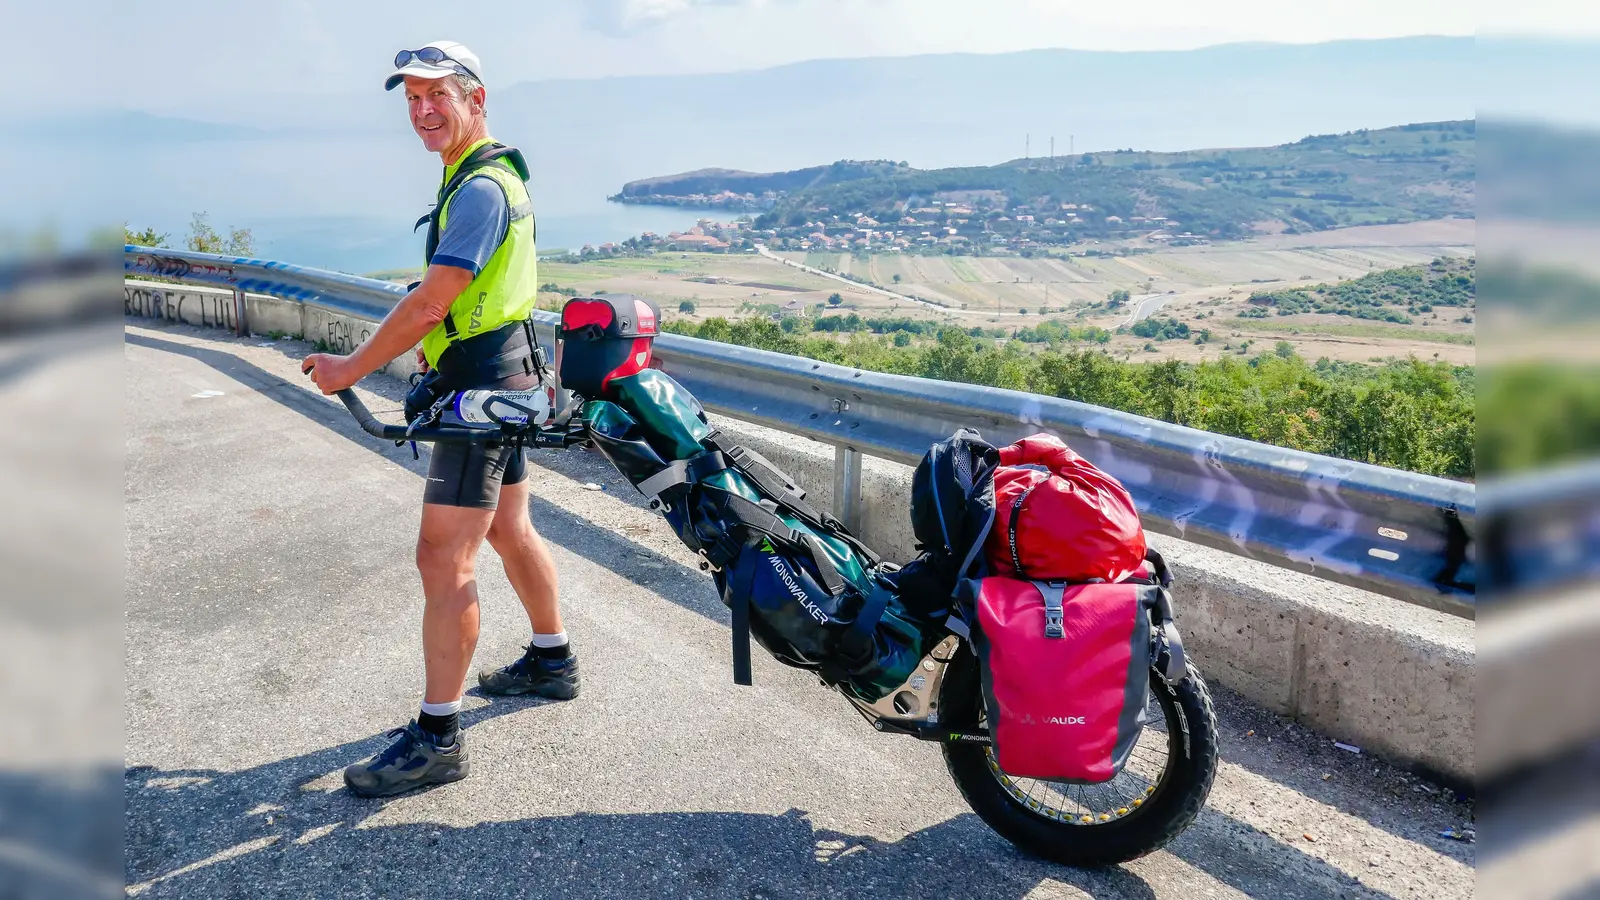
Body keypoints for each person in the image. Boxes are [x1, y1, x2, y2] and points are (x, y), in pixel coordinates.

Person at [302, 41, 579, 798]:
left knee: (441, 559)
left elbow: (432, 299)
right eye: (412, 101)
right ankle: (553, 661)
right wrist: (438, 348)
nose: (423, 112)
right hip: (507, 374)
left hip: (481, 395)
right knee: (509, 528)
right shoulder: (484, 175)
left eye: (438, 98)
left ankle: (438, 737)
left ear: (476, 101)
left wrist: (348, 368)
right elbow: (467, 302)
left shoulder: (480, 188)